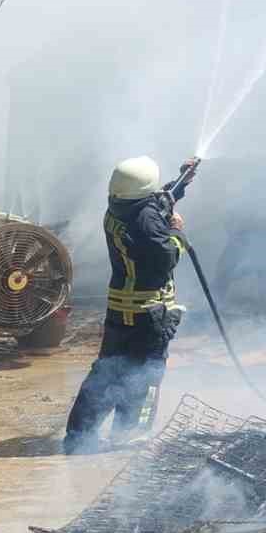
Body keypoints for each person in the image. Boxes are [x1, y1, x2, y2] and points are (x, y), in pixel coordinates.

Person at [63, 155, 198, 453]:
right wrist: (177, 232)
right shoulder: (146, 220)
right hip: (149, 314)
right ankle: (129, 435)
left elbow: (156, 202)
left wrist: (181, 182)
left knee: (108, 371)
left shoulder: (119, 206)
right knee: (145, 375)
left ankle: (79, 434)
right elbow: (166, 256)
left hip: (121, 311)